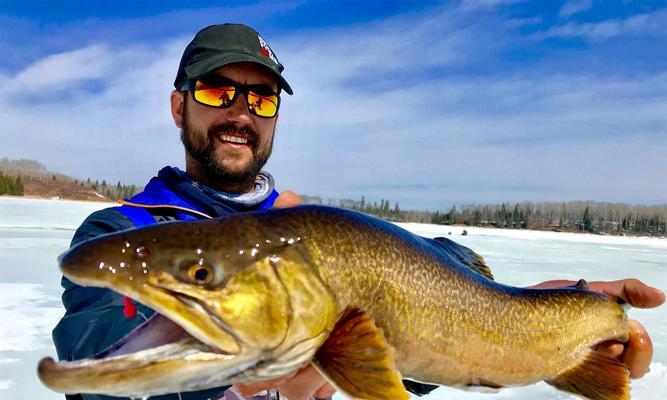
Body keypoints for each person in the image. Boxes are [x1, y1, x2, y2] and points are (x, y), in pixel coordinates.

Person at [52, 23, 665, 400]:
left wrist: (547, 313)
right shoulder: (123, 231)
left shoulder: (326, 230)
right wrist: (246, 381)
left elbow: (417, 358)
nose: (239, 112)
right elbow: (92, 358)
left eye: (260, 97)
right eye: (217, 91)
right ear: (178, 106)